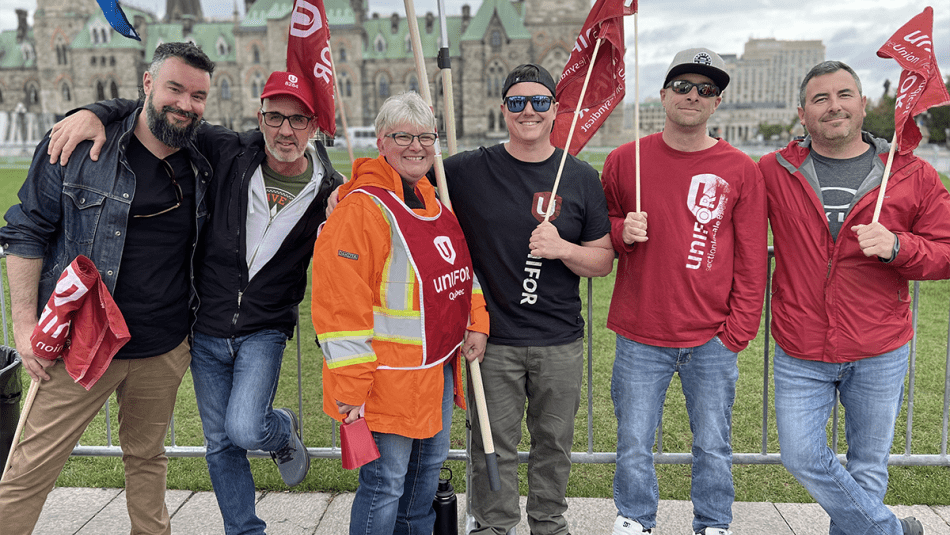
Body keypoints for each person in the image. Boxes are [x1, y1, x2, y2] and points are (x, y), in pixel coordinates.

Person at [47, 70, 346, 534]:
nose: (285, 131)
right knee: (220, 443)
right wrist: (96, 111)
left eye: (298, 120)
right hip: (205, 326)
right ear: (259, 116)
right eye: (275, 117)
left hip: (264, 328)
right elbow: (166, 111)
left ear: (315, 125)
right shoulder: (228, 150)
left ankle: (279, 429)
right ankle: (244, 529)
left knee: (247, 428)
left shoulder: (330, 190)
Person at [0, 42, 215, 535]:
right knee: (30, 469)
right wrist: (25, 324)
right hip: (81, 343)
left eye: (198, 95)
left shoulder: (203, 156)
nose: (185, 103)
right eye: (174, 88)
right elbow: (26, 230)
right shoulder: (79, 147)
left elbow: (279, 156)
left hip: (162, 347)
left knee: (147, 458)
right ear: (146, 83)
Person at [759, 60, 950, 535]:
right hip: (801, 345)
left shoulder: (911, 175)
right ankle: (891, 531)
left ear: (863, 105)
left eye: (844, 95)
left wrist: (898, 247)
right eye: (820, 99)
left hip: (879, 346)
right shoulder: (774, 170)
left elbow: (947, 250)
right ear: (802, 114)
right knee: (801, 456)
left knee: (868, 469)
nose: (833, 106)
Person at [440, 64, 614, 535]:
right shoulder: (468, 169)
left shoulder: (578, 176)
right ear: (504, 111)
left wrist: (561, 249)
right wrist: (341, 193)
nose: (529, 110)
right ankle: (493, 525)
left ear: (556, 109)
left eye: (540, 101)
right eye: (517, 102)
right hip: (492, 339)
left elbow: (602, 261)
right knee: (492, 444)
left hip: (559, 340)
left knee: (553, 442)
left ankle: (548, 523)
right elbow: (406, 178)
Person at [602, 48, 767, 535]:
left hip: (711, 337)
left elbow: (753, 257)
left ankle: (714, 523)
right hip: (640, 333)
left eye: (706, 90)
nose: (693, 96)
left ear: (717, 104)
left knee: (713, 442)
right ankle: (634, 519)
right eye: (683, 86)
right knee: (633, 440)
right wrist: (619, 232)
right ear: (663, 95)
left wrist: (736, 332)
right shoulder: (623, 160)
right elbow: (603, 228)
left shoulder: (740, 168)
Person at [311, 91, 489, 535]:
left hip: (435, 372)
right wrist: (350, 389)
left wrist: (476, 320)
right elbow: (339, 306)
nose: (416, 146)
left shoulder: (432, 199)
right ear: (381, 142)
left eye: (425, 136)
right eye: (402, 136)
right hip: (386, 379)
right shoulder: (361, 209)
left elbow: (459, 271)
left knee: (422, 485)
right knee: (385, 486)